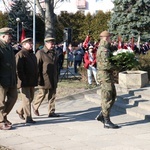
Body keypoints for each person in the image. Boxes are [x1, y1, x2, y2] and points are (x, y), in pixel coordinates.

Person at [96, 30, 119, 129]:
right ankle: (106, 120)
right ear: (106, 38)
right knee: (107, 97)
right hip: (104, 76)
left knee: (113, 95)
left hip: (107, 76)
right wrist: (117, 66)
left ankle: (102, 114)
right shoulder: (103, 50)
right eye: (110, 37)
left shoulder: (107, 48)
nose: (111, 39)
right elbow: (106, 65)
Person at [32, 37, 60, 117]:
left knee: (53, 95)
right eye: (51, 43)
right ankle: (35, 106)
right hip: (44, 77)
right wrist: (38, 78)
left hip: (53, 77)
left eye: (53, 43)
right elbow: (36, 66)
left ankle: (51, 111)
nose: (53, 45)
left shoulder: (54, 52)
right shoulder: (40, 53)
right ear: (46, 43)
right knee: (42, 93)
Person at [15, 38, 38, 124]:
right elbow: (18, 69)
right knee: (27, 99)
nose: (32, 45)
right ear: (24, 45)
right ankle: (28, 118)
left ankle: (19, 110)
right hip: (24, 81)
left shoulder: (32, 55)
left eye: (32, 43)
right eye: (29, 44)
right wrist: (21, 80)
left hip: (31, 80)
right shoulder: (20, 54)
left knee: (31, 98)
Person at [0, 27, 18, 130]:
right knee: (1, 102)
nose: (10, 37)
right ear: (3, 36)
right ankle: (1, 121)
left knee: (13, 97)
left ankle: (3, 116)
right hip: (2, 80)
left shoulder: (9, 47)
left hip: (11, 78)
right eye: (9, 35)